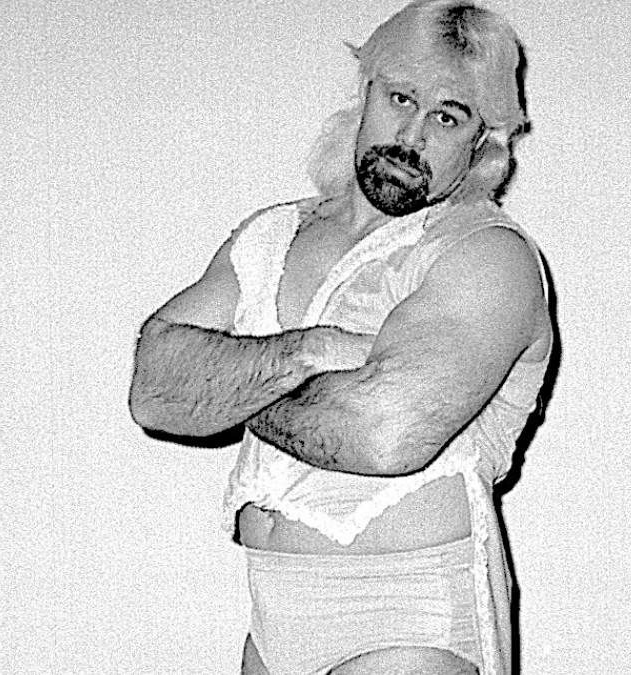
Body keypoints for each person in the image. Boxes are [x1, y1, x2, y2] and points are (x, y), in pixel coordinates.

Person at [128, 2, 551, 673]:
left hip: (410, 614)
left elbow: (382, 435)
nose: (412, 134)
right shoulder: (270, 235)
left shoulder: (485, 254)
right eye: (401, 98)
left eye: (448, 116)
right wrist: (313, 349)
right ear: (366, 92)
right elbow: (153, 390)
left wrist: (223, 388)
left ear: (481, 141)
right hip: (273, 611)